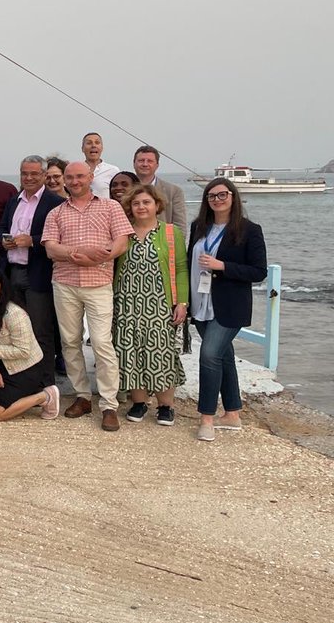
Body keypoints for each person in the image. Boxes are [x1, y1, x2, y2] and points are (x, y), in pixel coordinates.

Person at [42, 161, 133, 432]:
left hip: (98, 284)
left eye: (80, 176)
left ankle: (108, 404)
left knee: (103, 343)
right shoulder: (56, 212)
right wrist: (75, 253)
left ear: (90, 177)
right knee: (70, 342)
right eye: (70, 177)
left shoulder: (110, 207)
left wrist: (99, 255)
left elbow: (121, 241)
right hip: (65, 283)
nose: (75, 180)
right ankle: (82, 396)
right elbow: (50, 248)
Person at [188, 179, 267, 442]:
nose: (217, 199)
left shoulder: (249, 230)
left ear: (233, 197)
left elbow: (259, 272)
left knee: (209, 355)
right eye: (211, 196)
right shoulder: (198, 227)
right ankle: (232, 413)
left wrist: (223, 266)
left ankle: (207, 418)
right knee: (224, 357)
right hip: (201, 303)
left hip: (229, 306)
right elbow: (190, 264)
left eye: (222, 194)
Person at [114, 184, 188, 426]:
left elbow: (181, 268)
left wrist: (182, 302)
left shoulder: (170, 232)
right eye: (136, 203)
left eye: (146, 202)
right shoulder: (123, 232)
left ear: (157, 205)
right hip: (126, 303)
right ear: (130, 208)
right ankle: (139, 402)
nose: (141, 207)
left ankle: (166, 406)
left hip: (158, 303)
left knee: (161, 353)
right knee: (130, 351)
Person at [0, 155, 64, 390]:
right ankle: (22, 380)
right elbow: (3, 227)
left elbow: (59, 236)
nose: (28, 178)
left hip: (38, 273)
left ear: (44, 175)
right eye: (24, 173)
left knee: (40, 330)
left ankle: (46, 384)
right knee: (16, 329)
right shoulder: (14, 201)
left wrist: (33, 241)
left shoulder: (54, 202)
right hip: (13, 270)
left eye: (34, 173)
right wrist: (4, 239)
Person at [0, 268, 59, 422]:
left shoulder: (14, 313)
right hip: (3, 363)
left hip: (26, 367)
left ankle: (45, 396)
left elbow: (24, 351)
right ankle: (11, 394)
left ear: (1, 287)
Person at [132, 145, 187, 234]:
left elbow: (180, 225)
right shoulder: (125, 190)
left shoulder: (174, 191)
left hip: (163, 244)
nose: (145, 164)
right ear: (134, 163)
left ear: (157, 165)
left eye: (150, 161)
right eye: (141, 160)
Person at [82, 132, 120, 198]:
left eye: (97, 142)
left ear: (102, 148)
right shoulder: (76, 170)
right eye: (89, 143)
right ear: (82, 148)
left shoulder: (113, 170)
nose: (93, 145)